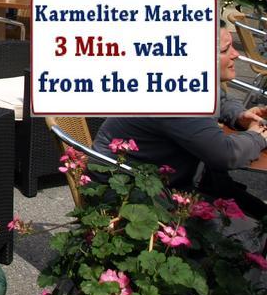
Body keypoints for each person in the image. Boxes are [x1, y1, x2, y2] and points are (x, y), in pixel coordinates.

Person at [95, 26, 267, 219]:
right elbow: (225, 154)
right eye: (225, 49)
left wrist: (239, 115)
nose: (236, 54)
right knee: (252, 233)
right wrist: (257, 136)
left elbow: (222, 100)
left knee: (258, 213)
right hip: (133, 193)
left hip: (164, 179)